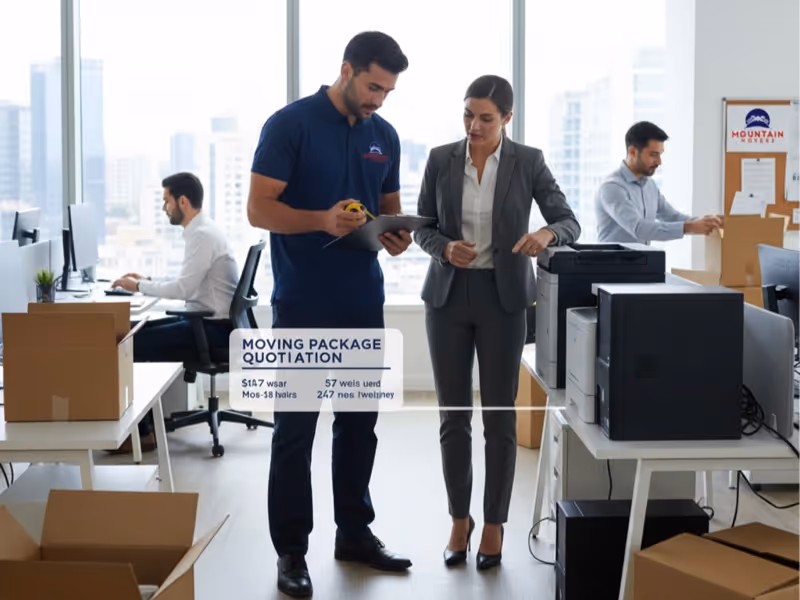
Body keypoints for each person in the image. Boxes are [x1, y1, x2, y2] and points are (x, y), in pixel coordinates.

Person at [247, 31, 413, 598]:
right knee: (296, 430)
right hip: (302, 302)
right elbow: (258, 208)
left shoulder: (383, 135)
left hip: (363, 300)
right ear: (346, 69)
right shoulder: (289, 124)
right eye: (372, 86)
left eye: (388, 91)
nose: (378, 100)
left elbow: (390, 212)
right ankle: (291, 550)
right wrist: (321, 220)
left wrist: (396, 237)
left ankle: (354, 532)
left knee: (359, 424)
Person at [414, 75, 581, 571]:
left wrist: (547, 233)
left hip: (503, 299)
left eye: (486, 118)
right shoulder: (440, 158)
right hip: (446, 296)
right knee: (453, 414)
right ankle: (458, 520)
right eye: (468, 114)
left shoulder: (527, 162)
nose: (474, 126)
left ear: (507, 118)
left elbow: (569, 221)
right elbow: (422, 225)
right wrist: (443, 247)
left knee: (500, 417)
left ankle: (494, 523)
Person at [111, 172, 239, 450]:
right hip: (210, 324)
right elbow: (187, 280)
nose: (163, 208)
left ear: (182, 201)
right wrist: (146, 280)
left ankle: (142, 435)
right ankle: (142, 429)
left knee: (127, 345)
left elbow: (183, 289)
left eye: (166, 201)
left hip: (211, 331)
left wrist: (138, 286)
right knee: (131, 332)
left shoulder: (202, 236)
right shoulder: (203, 231)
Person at [595, 121, 722, 244]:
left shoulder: (649, 185)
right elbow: (639, 228)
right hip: (613, 265)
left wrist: (706, 222)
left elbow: (672, 217)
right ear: (632, 152)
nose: (659, 161)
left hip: (642, 263)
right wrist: (689, 227)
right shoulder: (612, 188)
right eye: (653, 154)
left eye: (660, 154)